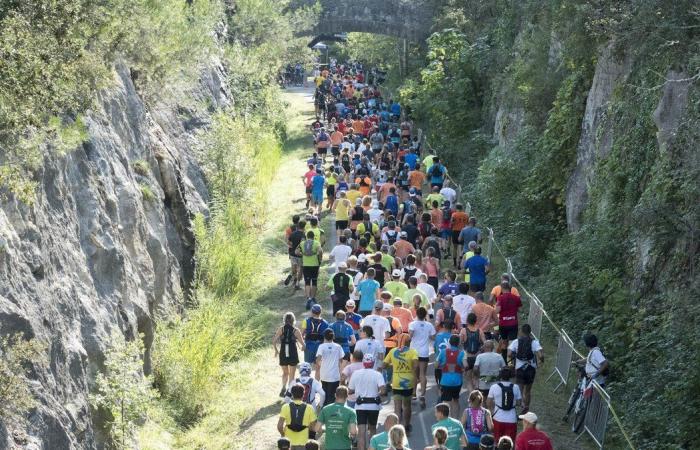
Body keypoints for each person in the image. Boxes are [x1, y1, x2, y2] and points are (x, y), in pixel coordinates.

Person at [348, 354, 386, 450]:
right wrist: (377, 393)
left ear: (363, 363)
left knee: (361, 432)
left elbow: (350, 390)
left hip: (360, 406)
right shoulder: (377, 374)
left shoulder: (356, 373)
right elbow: (383, 390)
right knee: (372, 430)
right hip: (374, 406)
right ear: (373, 363)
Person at [383, 334, 418, 431]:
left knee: (397, 406)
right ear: (409, 342)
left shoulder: (393, 351)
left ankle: (397, 427)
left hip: (396, 382)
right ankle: (406, 425)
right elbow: (415, 366)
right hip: (408, 382)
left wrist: (394, 365)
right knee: (407, 405)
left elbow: (384, 365)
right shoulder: (413, 352)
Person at [507, 324, 543, 414]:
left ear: (521, 331)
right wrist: (541, 362)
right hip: (531, 368)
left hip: (519, 368)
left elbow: (509, 354)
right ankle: (526, 408)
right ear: (530, 332)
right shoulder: (534, 342)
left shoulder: (516, 341)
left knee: (520, 389)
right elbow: (541, 355)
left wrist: (515, 357)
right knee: (528, 391)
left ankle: (521, 404)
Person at [315, 386, 358, 450]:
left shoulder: (325, 409)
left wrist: (327, 429)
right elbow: (353, 431)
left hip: (329, 446)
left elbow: (317, 428)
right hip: (345, 446)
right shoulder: (351, 411)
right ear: (347, 396)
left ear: (335, 395)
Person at [409, 306, 435, 409]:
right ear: (425, 315)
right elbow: (433, 337)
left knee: (414, 374)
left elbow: (410, 336)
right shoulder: (429, 325)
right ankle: (423, 394)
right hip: (424, 351)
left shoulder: (412, 324)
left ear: (416, 314)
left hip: (414, 352)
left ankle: (414, 394)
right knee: (422, 374)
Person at [273, 312, 305, 396]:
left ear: (284, 320)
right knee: (292, 374)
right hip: (292, 352)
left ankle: (283, 387)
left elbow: (274, 341)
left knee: (285, 373)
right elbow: (303, 344)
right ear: (293, 320)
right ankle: (289, 391)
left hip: (283, 351)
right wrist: (303, 348)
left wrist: (276, 350)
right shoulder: (296, 330)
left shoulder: (281, 329)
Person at [486, 367, 521, 443]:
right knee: (510, 443)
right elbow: (519, 403)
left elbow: (488, 403)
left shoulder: (494, 387)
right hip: (512, 419)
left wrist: (492, 412)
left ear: (500, 376)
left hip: (498, 418)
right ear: (510, 376)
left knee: (497, 442)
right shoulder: (516, 387)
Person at [278, 384, 318, 449]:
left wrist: (283, 435)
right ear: (303, 394)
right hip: (304, 442)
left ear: (292, 394)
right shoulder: (309, 408)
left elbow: (279, 426)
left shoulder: (285, 407)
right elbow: (313, 427)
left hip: (288, 443)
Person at [435, 335, 466, 416]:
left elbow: (436, 365)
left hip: (445, 381)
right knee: (456, 400)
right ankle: (456, 419)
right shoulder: (462, 353)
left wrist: (442, 366)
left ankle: (447, 420)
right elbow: (466, 365)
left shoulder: (443, 352)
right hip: (457, 381)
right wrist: (462, 369)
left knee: (446, 402)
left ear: (449, 342)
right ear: (458, 343)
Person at [316, 329, 346, 406]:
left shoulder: (321, 346)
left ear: (324, 337)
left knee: (325, 394)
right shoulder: (338, 346)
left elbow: (318, 359)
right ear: (333, 337)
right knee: (332, 396)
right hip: (334, 376)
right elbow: (341, 360)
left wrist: (321, 365)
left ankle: (324, 410)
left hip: (324, 375)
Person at [296, 231, 323, 309]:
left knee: (307, 282)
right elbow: (320, 251)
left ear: (307, 236)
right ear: (313, 236)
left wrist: (303, 254)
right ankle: (313, 298)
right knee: (314, 281)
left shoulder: (302, 243)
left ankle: (308, 298)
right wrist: (319, 258)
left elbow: (296, 251)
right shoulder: (317, 243)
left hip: (306, 265)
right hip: (315, 264)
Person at [495, 282, 522, 360]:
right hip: (513, 323)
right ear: (510, 289)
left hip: (503, 324)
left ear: (502, 289)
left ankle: (504, 362)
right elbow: (520, 309)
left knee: (504, 342)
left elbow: (497, 310)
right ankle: (511, 362)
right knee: (512, 343)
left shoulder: (500, 298)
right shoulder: (516, 298)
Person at [461, 313, 485, 391]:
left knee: (468, 380)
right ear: (476, 321)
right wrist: (480, 350)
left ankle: (472, 398)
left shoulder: (463, 330)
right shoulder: (480, 330)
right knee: (477, 378)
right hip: (477, 358)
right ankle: (477, 395)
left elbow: (460, 343)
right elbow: (485, 343)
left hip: (467, 358)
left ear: (467, 321)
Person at [287, 220, 306, 290]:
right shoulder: (304, 235)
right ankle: (297, 283)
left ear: (298, 227)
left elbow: (288, 242)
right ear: (304, 227)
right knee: (301, 268)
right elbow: (303, 244)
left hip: (292, 254)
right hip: (300, 255)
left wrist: (292, 246)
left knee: (294, 266)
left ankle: (294, 276)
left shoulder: (293, 234)